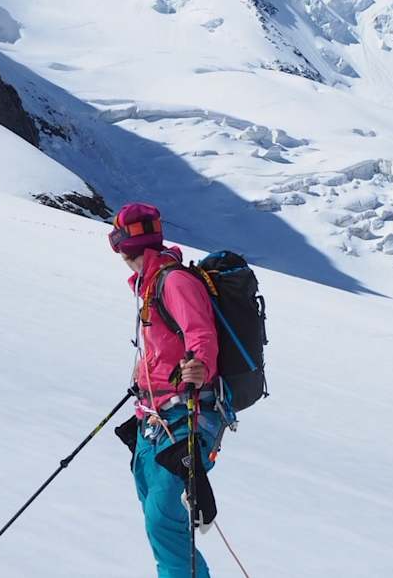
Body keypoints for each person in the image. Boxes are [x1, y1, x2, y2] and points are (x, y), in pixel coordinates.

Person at [109, 202, 222, 578]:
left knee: (163, 521)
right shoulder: (149, 284)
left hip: (185, 416)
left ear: (122, 245)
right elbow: (165, 345)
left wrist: (200, 365)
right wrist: (145, 376)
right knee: (155, 517)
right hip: (153, 417)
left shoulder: (173, 282)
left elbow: (201, 334)